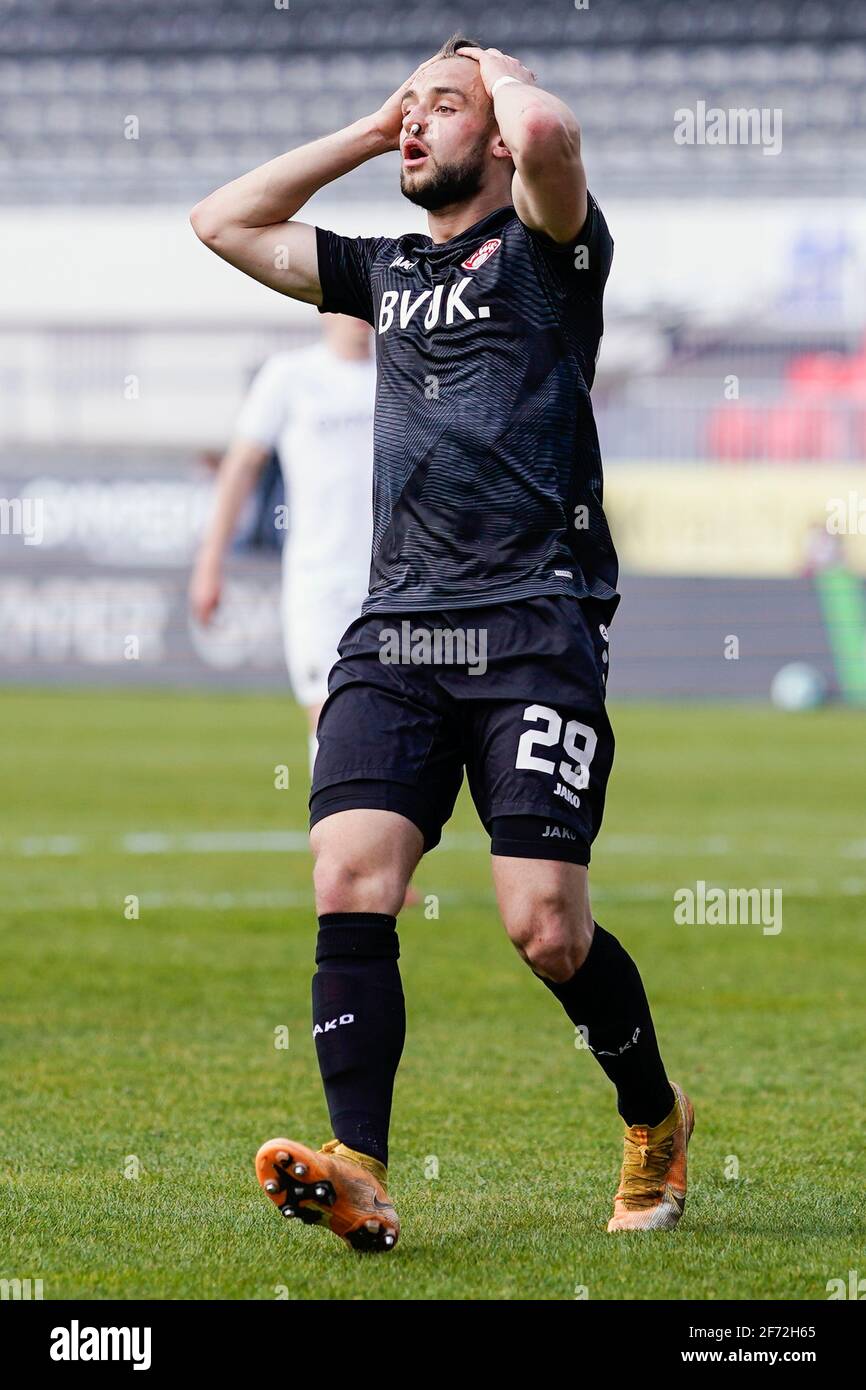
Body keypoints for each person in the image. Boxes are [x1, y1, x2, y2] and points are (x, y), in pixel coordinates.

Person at [191, 33, 693, 1253]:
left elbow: (552, 144)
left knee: (544, 929)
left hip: (534, 620)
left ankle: (654, 1114)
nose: (415, 126)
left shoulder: (548, 256)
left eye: (438, 111)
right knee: (349, 874)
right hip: (395, 628)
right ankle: (356, 1166)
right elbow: (221, 221)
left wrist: (495, 73)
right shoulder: (383, 271)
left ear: (494, 129)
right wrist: (372, 128)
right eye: (406, 112)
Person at [189, 315, 375, 769]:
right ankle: (334, 837)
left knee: (390, 726)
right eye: (347, 304)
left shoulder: (401, 373)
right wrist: (210, 561)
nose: (359, 316)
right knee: (331, 718)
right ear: (324, 308)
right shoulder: (290, 376)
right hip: (321, 582)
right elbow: (241, 465)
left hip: (396, 583)